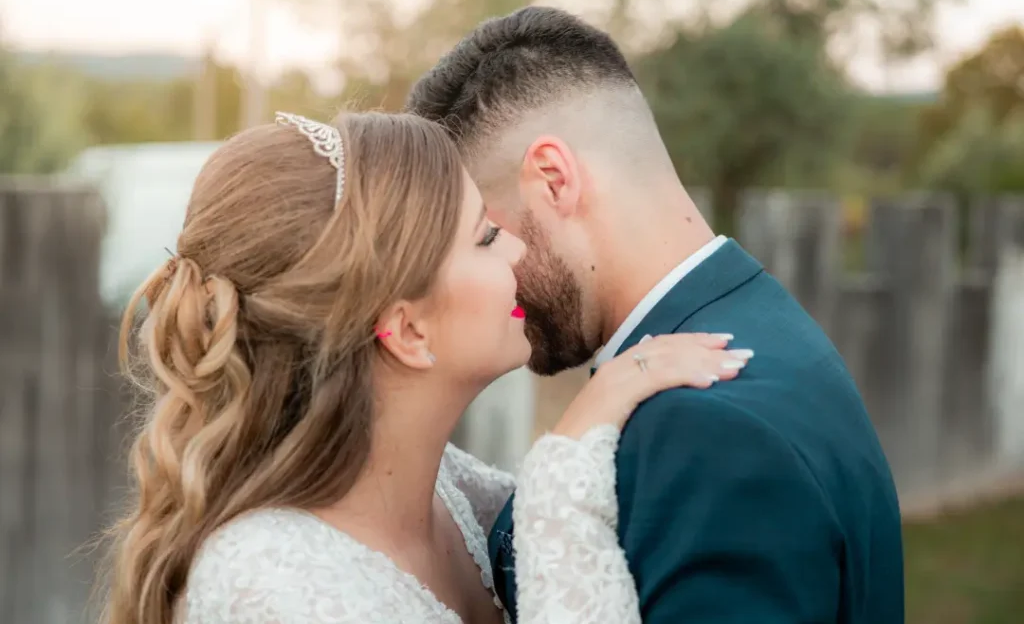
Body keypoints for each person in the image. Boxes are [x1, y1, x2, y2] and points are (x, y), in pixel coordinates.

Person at [97, 110, 752, 624]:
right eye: (485, 237)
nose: (518, 247)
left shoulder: (451, 489)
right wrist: (564, 468)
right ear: (407, 328)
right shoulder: (267, 583)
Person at [406, 5, 905, 623]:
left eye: (485, 231)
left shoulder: (705, 431)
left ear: (554, 180)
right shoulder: (762, 329)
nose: (492, 267)